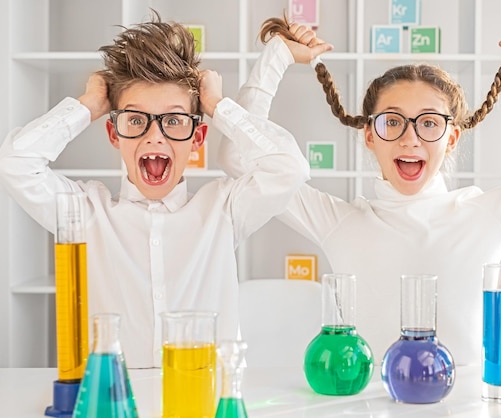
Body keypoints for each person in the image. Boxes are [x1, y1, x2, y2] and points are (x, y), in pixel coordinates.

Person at [219, 12, 501, 366]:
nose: (410, 139)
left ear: (451, 138)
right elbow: (240, 158)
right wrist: (277, 57)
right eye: (392, 121)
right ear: (369, 136)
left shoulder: (488, 214)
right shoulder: (339, 222)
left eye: (429, 123)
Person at [0, 12, 309, 368]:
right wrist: (89, 106)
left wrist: (217, 107)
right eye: (135, 119)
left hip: (205, 399)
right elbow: (15, 163)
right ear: (114, 134)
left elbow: (290, 168)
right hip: (116, 400)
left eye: (174, 120)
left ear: (197, 138)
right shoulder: (84, 213)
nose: (154, 135)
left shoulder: (224, 209)